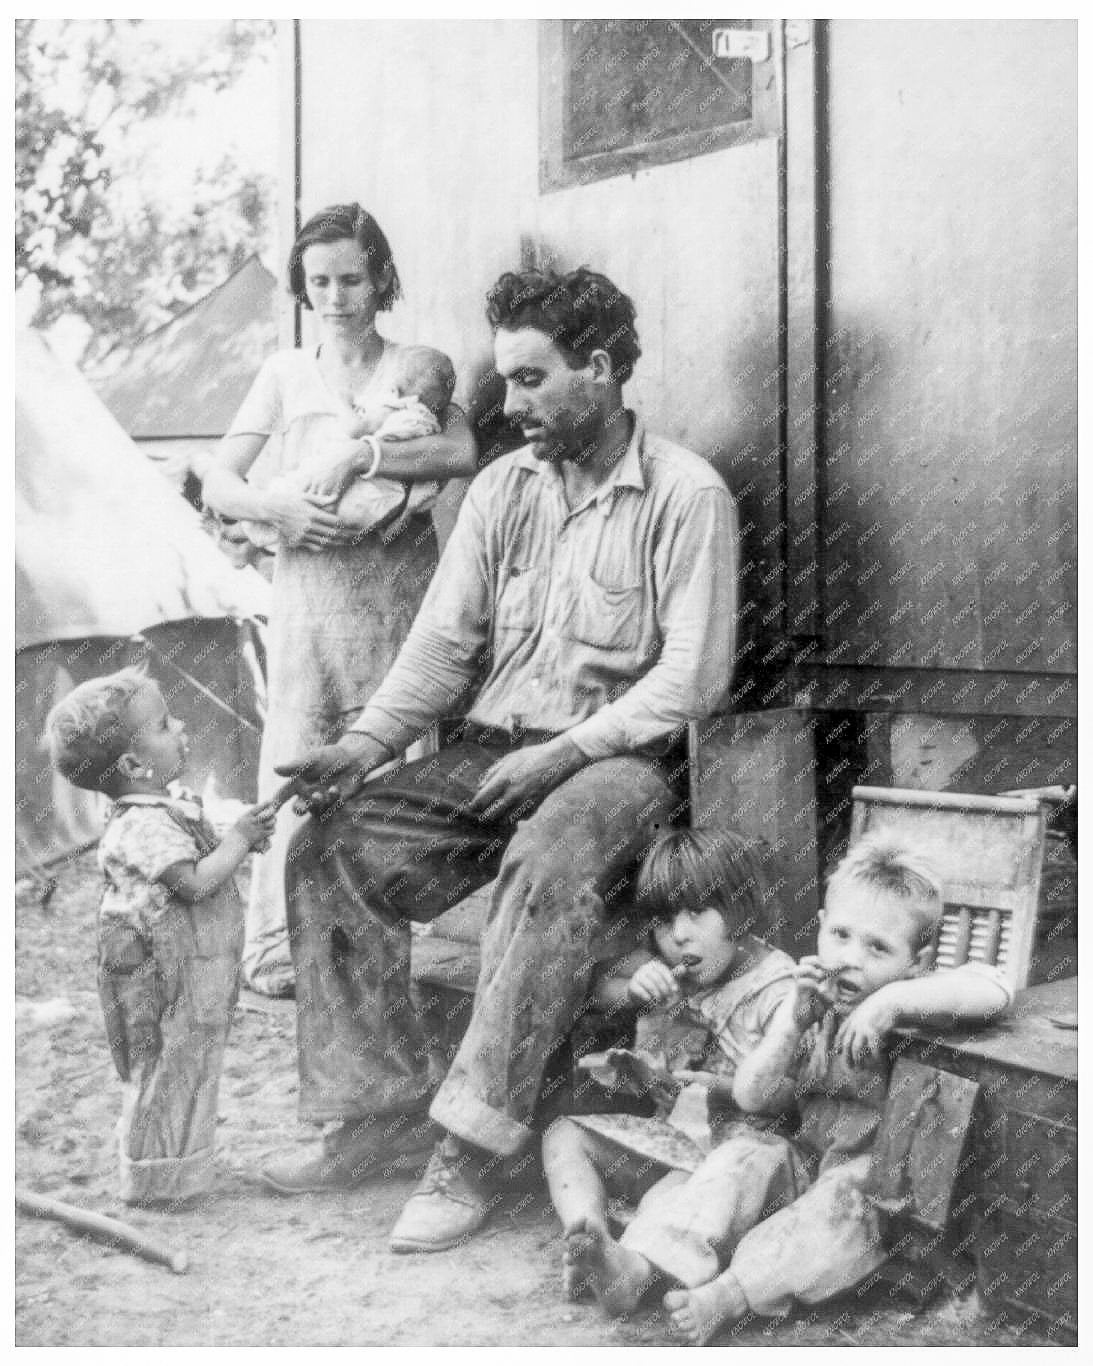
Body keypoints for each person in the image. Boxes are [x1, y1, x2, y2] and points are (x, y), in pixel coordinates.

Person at [263, 265, 740, 1256]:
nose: (507, 402)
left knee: (549, 860)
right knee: (332, 843)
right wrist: (359, 747)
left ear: (599, 369)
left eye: (529, 379)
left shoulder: (687, 493)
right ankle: (373, 1113)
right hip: (493, 751)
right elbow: (440, 651)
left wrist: (564, 751)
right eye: (505, 379)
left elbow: (690, 680)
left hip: (624, 767)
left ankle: (472, 1149)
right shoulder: (498, 489)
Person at [553, 839, 1013, 1342]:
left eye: (878, 947)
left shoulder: (921, 1001)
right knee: (741, 1157)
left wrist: (893, 1002)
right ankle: (638, 1267)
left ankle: (729, 1295)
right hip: (808, 1157)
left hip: (879, 1180)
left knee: (840, 1205)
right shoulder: (808, 1001)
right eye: (840, 935)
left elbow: (994, 986)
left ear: (917, 958)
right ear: (821, 926)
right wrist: (791, 1025)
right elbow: (753, 1096)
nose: (851, 958)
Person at [201, 202, 477, 997]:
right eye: (318, 280)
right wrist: (273, 509)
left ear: (379, 278)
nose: (335, 295)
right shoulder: (285, 373)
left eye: (351, 278)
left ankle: (392, 937)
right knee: (300, 742)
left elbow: (459, 449)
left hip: (394, 590)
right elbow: (219, 479)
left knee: (390, 750)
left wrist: (365, 450)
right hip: (312, 593)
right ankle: (281, 945)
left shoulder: (413, 367)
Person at [44, 668, 277, 1206]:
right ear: (132, 765)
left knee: (185, 1064)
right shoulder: (141, 825)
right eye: (165, 724)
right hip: (160, 978)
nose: (181, 726)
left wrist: (240, 835)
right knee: (165, 1066)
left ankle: (177, 1166)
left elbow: (206, 853)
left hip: (184, 970)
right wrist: (239, 843)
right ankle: (155, 1177)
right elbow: (193, 884)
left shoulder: (162, 808)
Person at [542, 828, 798, 1307]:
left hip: (735, 1153)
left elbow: (793, 1096)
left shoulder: (778, 989)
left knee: (681, 1194)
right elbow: (599, 992)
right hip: (671, 1141)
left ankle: (632, 1272)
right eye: (663, 922)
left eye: (697, 912)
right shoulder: (673, 969)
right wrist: (632, 992)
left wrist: (720, 1088)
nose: (678, 935)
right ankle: (589, 1234)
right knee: (563, 1135)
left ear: (740, 909)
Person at [239, 343, 455, 550]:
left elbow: (356, 429)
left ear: (395, 390)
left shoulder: (392, 408)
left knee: (303, 493)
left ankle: (258, 527)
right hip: (386, 501)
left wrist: (343, 402)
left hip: (366, 490)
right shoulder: (428, 421)